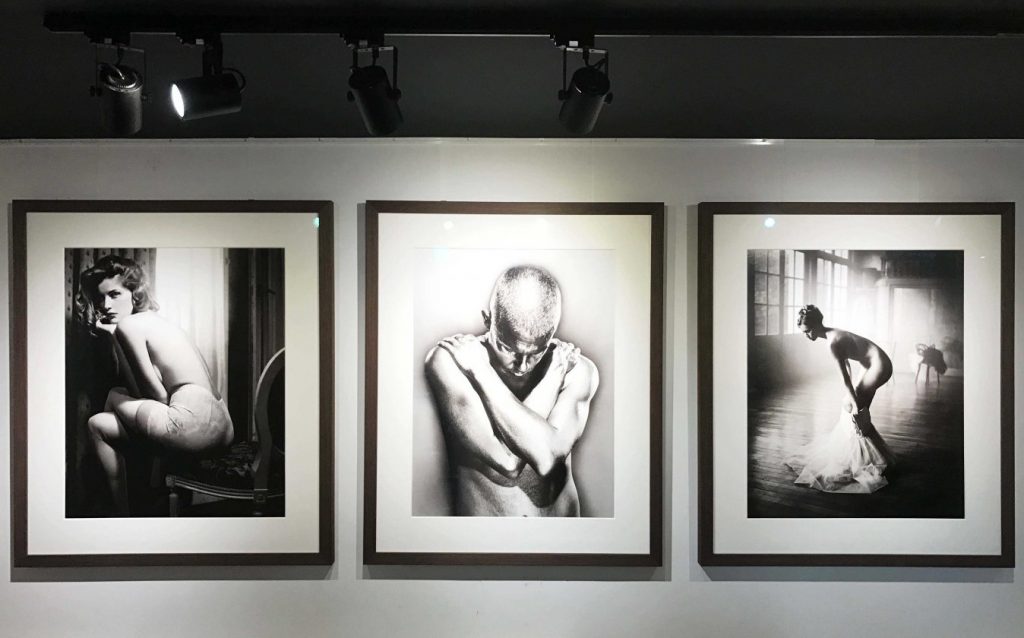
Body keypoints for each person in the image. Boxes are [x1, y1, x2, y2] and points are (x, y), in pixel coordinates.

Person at [424, 265, 599, 516]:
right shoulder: (451, 361)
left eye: (536, 352)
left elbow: (546, 457)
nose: (522, 365)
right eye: (508, 348)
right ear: (488, 320)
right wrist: (482, 371)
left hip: (564, 534)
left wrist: (482, 372)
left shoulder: (576, 368)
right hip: (486, 535)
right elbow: (508, 461)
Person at [76, 255, 233, 515]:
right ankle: (144, 487)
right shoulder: (160, 322)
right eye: (101, 298)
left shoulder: (128, 326)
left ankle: (121, 511)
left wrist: (115, 336)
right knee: (98, 424)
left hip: (191, 428)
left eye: (114, 294)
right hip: (221, 427)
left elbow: (154, 396)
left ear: (135, 293)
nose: (105, 305)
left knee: (114, 394)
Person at [785, 304, 896, 493]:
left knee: (854, 410)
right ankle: (860, 457)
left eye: (808, 331)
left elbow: (844, 378)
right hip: (871, 363)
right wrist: (852, 399)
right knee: (851, 406)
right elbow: (847, 365)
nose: (807, 336)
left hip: (879, 365)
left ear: (817, 325)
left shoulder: (832, 342)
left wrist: (854, 403)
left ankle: (862, 461)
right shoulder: (832, 334)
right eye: (804, 332)